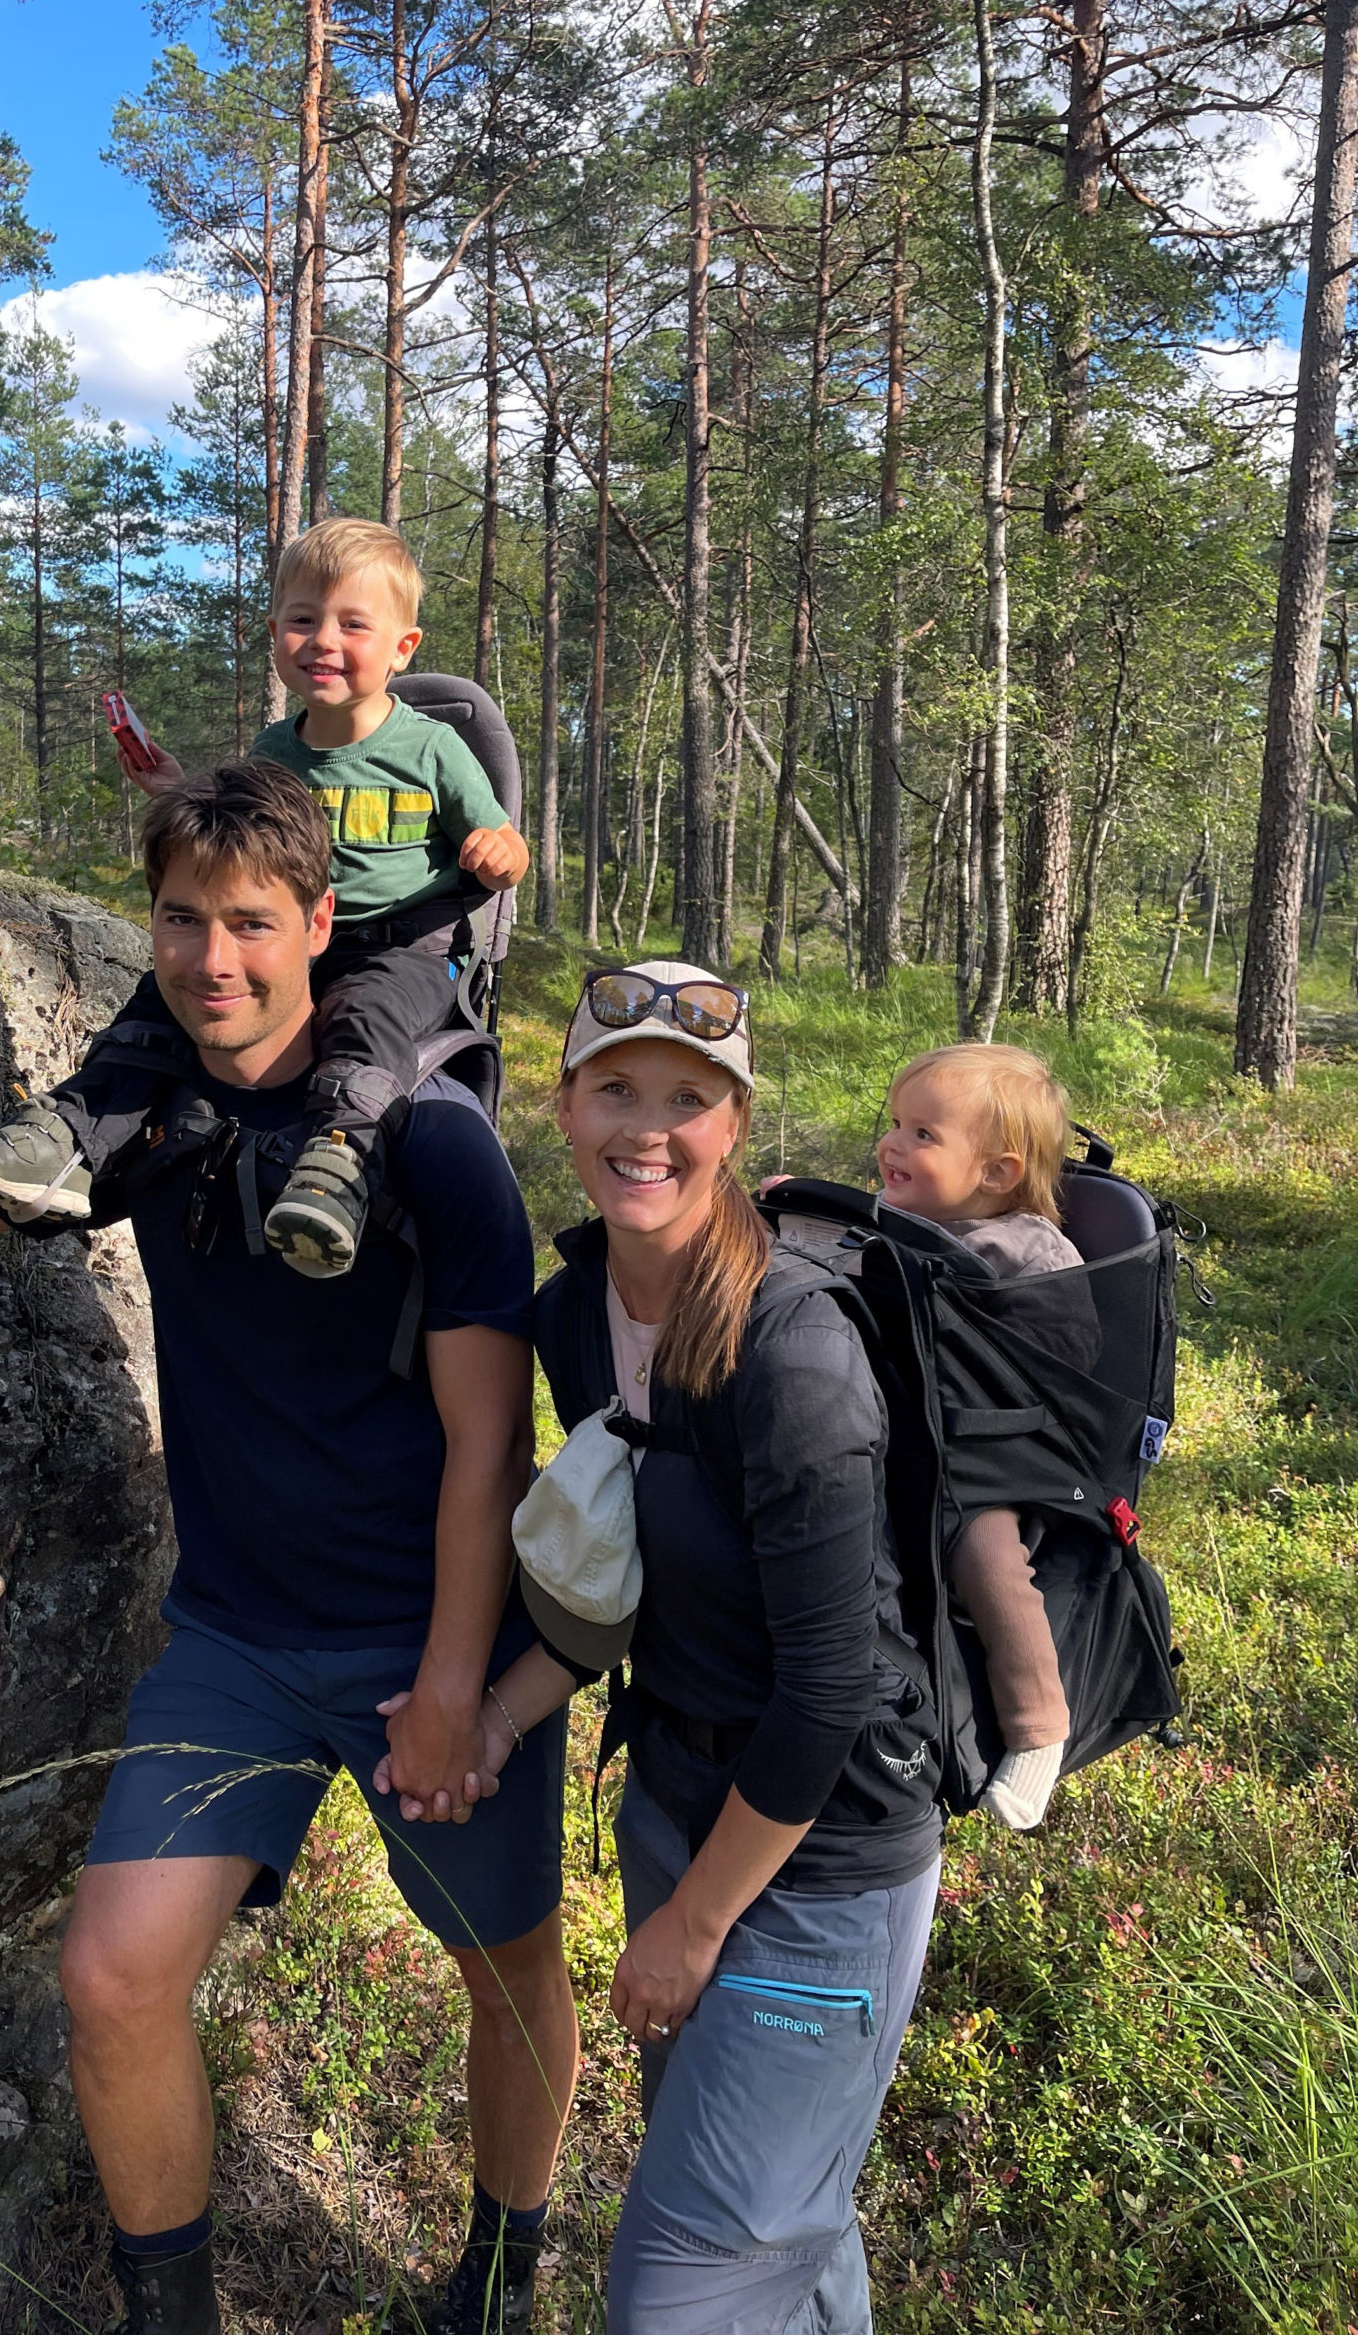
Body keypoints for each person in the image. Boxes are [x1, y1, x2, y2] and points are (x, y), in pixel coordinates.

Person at [0, 758, 576, 2335]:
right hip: (237, 1641)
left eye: (251, 923)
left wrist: (454, 1680)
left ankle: (504, 2274)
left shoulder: (431, 1147)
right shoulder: (149, 1108)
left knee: (504, 1974)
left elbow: (488, 1444)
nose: (213, 959)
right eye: (181, 921)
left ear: (323, 922)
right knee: (112, 1978)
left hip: (434, 1638)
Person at [390, 960, 943, 2335]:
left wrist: (693, 1930)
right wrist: (502, 1719)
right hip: (676, 1808)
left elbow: (829, 1693)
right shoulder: (576, 1315)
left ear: (735, 1125)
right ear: (565, 1110)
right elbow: (619, 1580)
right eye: (616, 1089)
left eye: (687, 1098)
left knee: (680, 2286)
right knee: (778, 2233)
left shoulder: (794, 1350)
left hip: (822, 1862)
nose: (649, 1127)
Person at [0, 516, 529, 1282]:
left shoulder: (434, 748)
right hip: (294, 939)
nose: (322, 641)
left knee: (366, 1021)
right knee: (159, 1001)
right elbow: (242, 845)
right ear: (275, 633)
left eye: (352, 624)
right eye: (302, 621)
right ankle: (69, 1139)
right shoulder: (274, 751)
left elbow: (504, 848)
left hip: (406, 943)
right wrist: (179, 790)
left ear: (404, 647)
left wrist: (500, 852)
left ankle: (340, 1165)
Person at [870, 1041, 1086, 1830]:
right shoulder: (902, 1216)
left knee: (985, 1554)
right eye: (896, 1124)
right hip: (909, 1434)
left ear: (996, 1173)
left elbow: (1063, 1357)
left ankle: (1039, 1727)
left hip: (995, 1459)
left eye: (923, 1136)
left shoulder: (1028, 1252)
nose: (893, 1146)